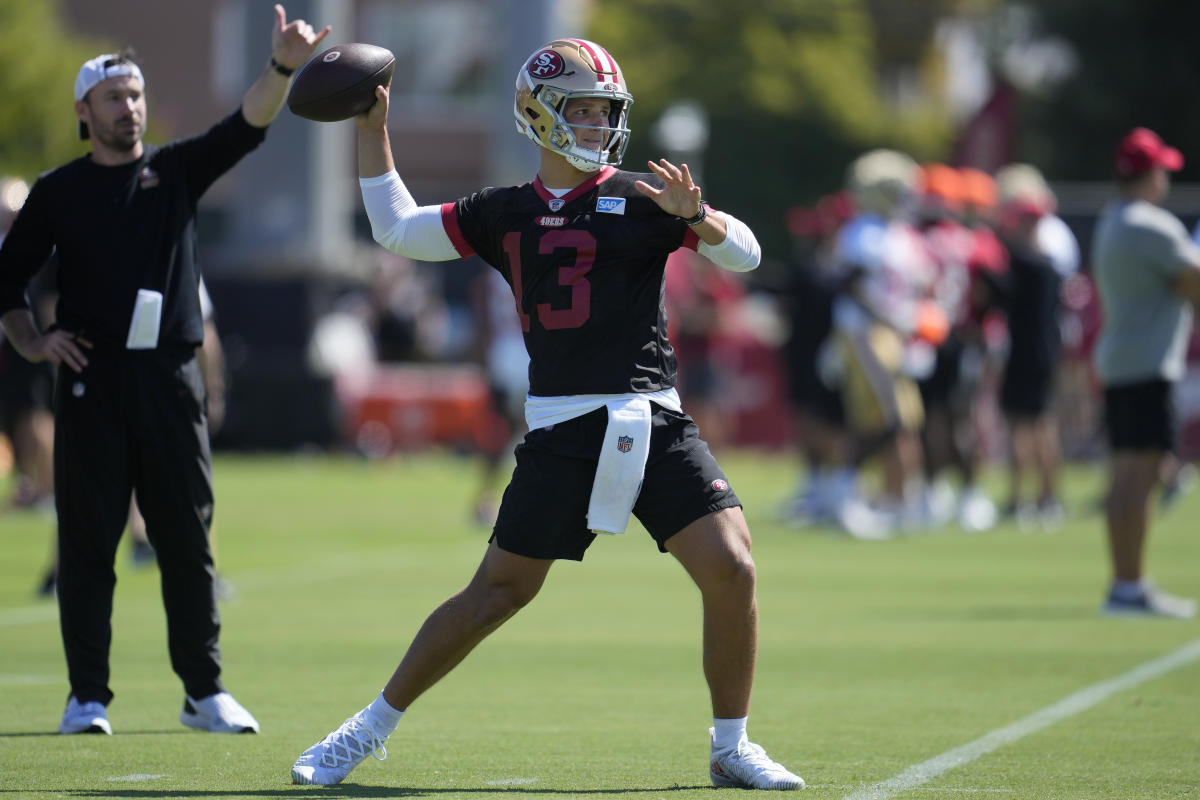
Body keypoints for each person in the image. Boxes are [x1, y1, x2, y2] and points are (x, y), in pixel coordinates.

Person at [291, 39, 803, 790]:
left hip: (653, 418)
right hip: (563, 427)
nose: (598, 123)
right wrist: (374, 128)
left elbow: (749, 258)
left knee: (732, 567)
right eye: (583, 109)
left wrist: (703, 220)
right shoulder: (505, 212)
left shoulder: (644, 196)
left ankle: (731, 745)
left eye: (606, 111)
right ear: (538, 113)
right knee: (496, 594)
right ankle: (363, 729)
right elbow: (397, 228)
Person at [0, 5, 331, 735]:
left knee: (186, 536)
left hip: (170, 379)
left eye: (137, 95)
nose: (130, 108)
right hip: (91, 379)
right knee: (88, 544)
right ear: (84, 112)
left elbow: (245, 126)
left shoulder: (175, 170)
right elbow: (7, 281)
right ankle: (87, 695)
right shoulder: (58, 192)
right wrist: (33, 342)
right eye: (114, 98)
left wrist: (281, 65)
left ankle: (203, 691)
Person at [1090, 127, 1200, 618]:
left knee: (1129, 473)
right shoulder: (1150, 225)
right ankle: (1129, 584)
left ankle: (1125, 584)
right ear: (1150, 173)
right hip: (1147, 363)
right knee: (1142, 473)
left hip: (1122, 359)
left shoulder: (1114, 219)